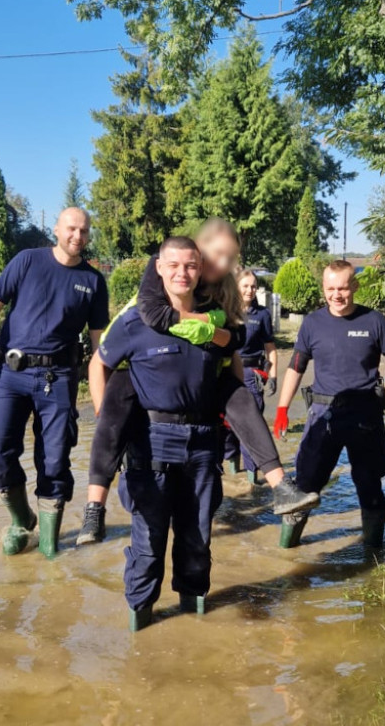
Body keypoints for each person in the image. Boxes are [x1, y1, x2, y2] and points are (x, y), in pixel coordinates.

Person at [76, 219, 319, 546]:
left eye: (230, 259)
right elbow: (154, 316)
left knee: (239, 394)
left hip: (200, 381)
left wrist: (229, 403)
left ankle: (281, 487)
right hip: (138, 371)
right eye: (217, 254)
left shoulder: (221, 292)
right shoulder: (162, 273)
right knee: (112, 411)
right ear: (199, 248)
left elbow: (234, 342)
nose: (223, 264)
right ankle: (94, 508)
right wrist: (204, 324)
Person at [90, 236, 227, 631]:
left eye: (190, 265)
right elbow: (98, 365)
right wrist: (106, 417)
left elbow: (232, 365)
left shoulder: (212, 322)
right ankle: (141, 626)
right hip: (151, 445)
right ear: (160, 269)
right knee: (149, 546)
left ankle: (194, 627)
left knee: (197, 542)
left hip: (202, 445)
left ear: (199, 270)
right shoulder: (135, 322)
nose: (182, 273)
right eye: (174, 265)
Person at [0, 207, 109, 559]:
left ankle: (49, 550)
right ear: (57, 229)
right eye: (72, 228)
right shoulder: (27, 261)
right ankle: (20, 519)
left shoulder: (92, 281)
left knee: (55, 461)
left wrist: (107, 385)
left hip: (58, 378)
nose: (78, 236)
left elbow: (99, 342)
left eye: (85, 231)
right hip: (11, 375)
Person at [272, 260, 385, 549]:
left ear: (354, 286)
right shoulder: (312, 323)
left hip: (365, 417)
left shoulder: (374, 321)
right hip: (323, 416)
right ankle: (286, 556)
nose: (337, 295)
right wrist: (281, 409)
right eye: (330, 288)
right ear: (323, 288)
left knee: (370, 487)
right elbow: (295, 367)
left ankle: (373, 555)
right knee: (303, 489)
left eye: (343, 287)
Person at [221, 269, 278, 481]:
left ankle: (253, 479)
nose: (250, 290)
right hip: (227, 374)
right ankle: (233, 467)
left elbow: (270, 348)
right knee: (226, 426)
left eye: (253, 286)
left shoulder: (262, 314)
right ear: (236, 287)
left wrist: (273, 377)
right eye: (245, 285)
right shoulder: (226, 311)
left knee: (251, 426)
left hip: (252, 375)